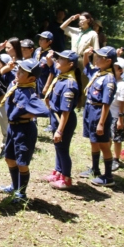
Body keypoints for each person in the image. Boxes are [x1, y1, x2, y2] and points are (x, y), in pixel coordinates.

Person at [0, 59, 49, 203]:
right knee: (9, 158)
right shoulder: (16, 86)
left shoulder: (29, 93)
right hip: (12, 127)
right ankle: (15, 186)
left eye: (21, 72)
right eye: (18, 70)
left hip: (24, 129)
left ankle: (21, 193)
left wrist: (27, 114)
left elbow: (44, 111)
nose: (17, 73)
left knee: (22, 163)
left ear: (31, 78)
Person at [78, 46, 117, 187]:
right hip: (90, 109)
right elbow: (86, 67)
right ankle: (95, 168)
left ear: (108, 61)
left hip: (100, 112)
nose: (97, 58)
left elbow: (106, 103)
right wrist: (87, 56)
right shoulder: (98, 73)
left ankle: (108, 176)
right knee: (93, 141)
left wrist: (101, 123)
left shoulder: (109, 79)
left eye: (100, 57)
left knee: (104, 144)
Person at [43, 50, 80, 190]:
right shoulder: (61, 76)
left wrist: (60, 130)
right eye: (58, 57)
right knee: (58, 147)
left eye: (61, 59)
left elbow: (66, 111)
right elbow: (52, 66)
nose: (57, 60)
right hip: (56, 118)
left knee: (63, 149)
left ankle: (66, 178)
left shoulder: (69, 84)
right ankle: (58, 172)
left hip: (64, 120)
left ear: (70, 64)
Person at [60, 12, 100, 108]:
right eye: (79, 20)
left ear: (89, 20)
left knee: (83, 81)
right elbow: (62, 27)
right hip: (72, 59)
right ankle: (72, 102)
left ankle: (83, 104)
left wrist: (94, 67)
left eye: (82, 20)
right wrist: (71, 19)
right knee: (72, 80)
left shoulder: (93, 34)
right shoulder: (76, 31)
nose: (80, 22)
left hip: (83, 59)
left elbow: (96, 51)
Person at [110, 57, 124, 171]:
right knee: (107, 137)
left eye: (115, 68)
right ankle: (108, 156)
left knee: (116, 139)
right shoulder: (110, 81)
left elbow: (122, 104)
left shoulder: (122, 85)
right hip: (107, 115)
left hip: (116, 116)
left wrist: (120, 120)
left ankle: (116, 159)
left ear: (121, 70)